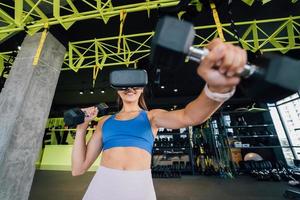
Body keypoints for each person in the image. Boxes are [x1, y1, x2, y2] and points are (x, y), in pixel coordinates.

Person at [72, 38, 247, 200]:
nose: (129, 88)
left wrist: (217, 89)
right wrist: (81, 128)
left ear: (142, 88)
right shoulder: (104, 122)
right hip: (103, 184)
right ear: (117, 89)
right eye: (123, 84)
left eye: (135, 84)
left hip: (139, 187)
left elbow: (190, 116)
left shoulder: (152, 117)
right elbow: (78, 169)